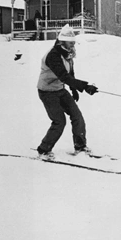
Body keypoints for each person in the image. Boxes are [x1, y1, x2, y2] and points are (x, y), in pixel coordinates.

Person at [36, 24, 98, 158]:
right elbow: (63, 75)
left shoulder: (67, 53)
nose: (73, 45)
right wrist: (85, 86)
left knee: (77, 116)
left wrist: (74, 89)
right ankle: (44, 149)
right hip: (47, 92)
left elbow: (70, 73)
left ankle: (80, 146)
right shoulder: (53, 55)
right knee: (59, 121)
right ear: (62, 41)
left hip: (59, 89)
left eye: (73, 42)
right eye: (70, 43)